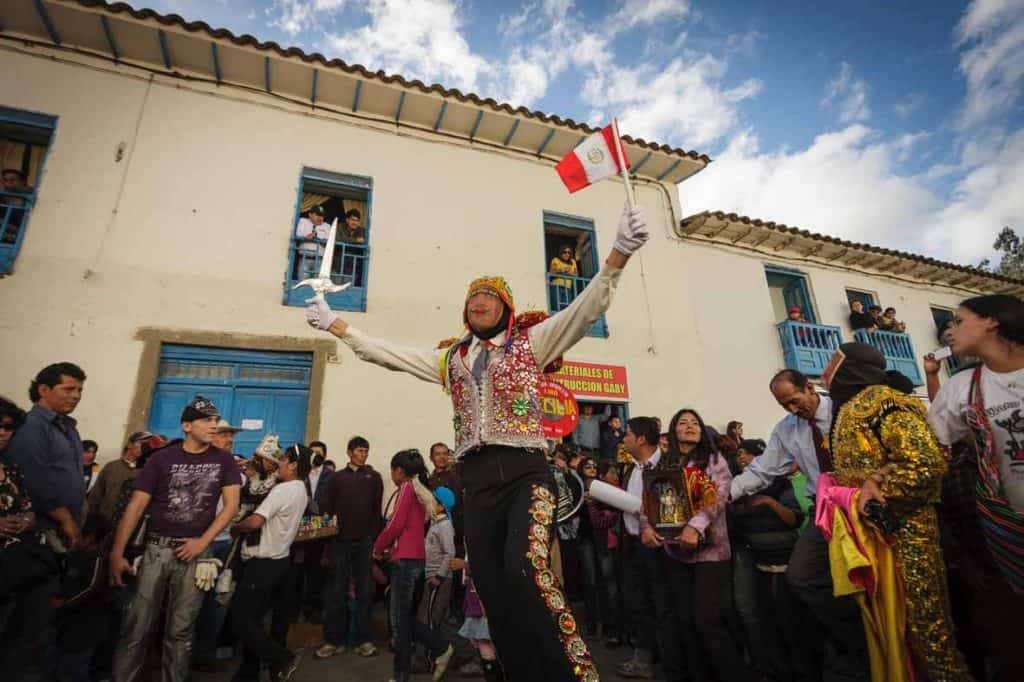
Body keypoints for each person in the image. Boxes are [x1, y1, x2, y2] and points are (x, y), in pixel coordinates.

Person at [305, 202, 649, 680]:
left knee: (525, 567)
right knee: (489, 582)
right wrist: (338, 327)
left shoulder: (534, 342)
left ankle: (573, 673)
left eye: (489, 296)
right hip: (478, 478)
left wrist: (617, 254)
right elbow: (391, 355)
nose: (479, 302)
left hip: (527, 470)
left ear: (506, 307)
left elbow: (584, 309)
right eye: (472, 298)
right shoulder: (451, 360)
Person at [821, 343, 972, 680]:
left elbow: (924, 464)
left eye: (833, 361)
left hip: (907, 533)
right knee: (895, 629)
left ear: (852, 367)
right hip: (874, 537)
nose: (825, 370)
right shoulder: (850, 407)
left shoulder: (887, 402)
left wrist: (876, 495)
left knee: (925, 629)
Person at [730, 368, 869, 680]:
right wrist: (726, 492)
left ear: (809, 387)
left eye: (794, 401)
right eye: (784, 406)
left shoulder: (845, 409)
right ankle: (856, 641)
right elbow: (762, 471)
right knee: (801, 575)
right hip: (825, 514)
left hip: (865, 508)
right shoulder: (786, 430)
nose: (793, 410)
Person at [926, 295, 1024, 680]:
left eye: (958, 320)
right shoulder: (962, 388)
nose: (948, 330)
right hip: (1007, 534)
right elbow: (928, 452)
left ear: (992, 322)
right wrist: (875, 480)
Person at [109, 396, 241, 682]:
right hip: (157, 549)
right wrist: (117, 553)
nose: (214, 426)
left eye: (216, 420)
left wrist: (203, 542)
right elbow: (136, 506)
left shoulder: (224, 460)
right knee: (136, 626)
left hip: (195, 552)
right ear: (186, 425)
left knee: (180, 632)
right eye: (207, 420)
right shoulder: (162, 459)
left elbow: (231, 506)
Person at [643, 409, 755, 682]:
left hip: (711, 552)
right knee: (685, 623)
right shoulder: (663, 464)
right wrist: (646, 528)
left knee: (708, 621)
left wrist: (696, 525)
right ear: (673, 430)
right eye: (683, 423)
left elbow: (719, 497)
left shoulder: (714, 461)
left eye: (695, 422)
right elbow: (648, 502)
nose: (690, 426)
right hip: (675, 551)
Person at [729, 438, 810, 681]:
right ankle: (773, 669)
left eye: (747, 455)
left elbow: (793, 520)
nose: (742, 459)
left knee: (791, 621)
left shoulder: (779, 485)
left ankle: (799, 671)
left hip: (786, 561)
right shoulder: (738, 489)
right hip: (759, 562)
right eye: (739, 455)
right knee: (767, 620)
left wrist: (768, 502)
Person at [230, 443, 311, 682]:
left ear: (294, 465)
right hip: (279, 561)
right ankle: (248, 673)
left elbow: (255, 522)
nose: (279, 465)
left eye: (283, 461)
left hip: (263, 564)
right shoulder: (300, 489)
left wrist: (236, 527)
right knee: (255, 621)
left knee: (241, 619)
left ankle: (282, 658)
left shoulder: (283, 490)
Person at [373, 450, 454, 682]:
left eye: (393, 471)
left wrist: (378, 548)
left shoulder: (407, 488)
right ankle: (438, 648)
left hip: (405, 560)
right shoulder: (420, 490)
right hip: (414, 557)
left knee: (399, 622)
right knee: (404, 618)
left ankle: (404, 673)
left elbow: (395, 524)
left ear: (399, 471)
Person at [616, 416, 677, 680]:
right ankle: (644, 656)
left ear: (641, 438)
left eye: (627, 434)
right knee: (639, 602)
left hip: (659, 546)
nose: (624, 439)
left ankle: (670, 663)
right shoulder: (632, 468)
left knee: (662, 604)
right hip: (633, 545)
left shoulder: (667, 465)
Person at [316, 436, 383, 659]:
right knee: (337, 592)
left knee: (365, 592)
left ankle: (364, 640)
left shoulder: (373, 477)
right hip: (340, 542)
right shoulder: (336, 478)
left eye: (366, 451)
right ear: (349, 452)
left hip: (364, 543)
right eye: (359, 451)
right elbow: (325, 506)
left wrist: (372, 538)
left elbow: (376, 511)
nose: (363, 455)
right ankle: (333, 641)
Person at [192, 418, 246, 671]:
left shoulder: (232, 467)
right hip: (202, 543)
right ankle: (186, 655)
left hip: (226, 542)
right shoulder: (201, 465)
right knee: (193, 599)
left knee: (220, 598)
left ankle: (205, 653)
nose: (229, 439)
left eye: (231, 435)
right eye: (224, 434)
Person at [53, 513, 111, 682]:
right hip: (67, 623)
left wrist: (65, 603)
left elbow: (91, 588)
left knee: (75, 667)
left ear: (91, 538)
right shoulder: (76, 555)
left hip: (85, 626)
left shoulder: (98, 559)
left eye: (80, 536)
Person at [587, 460, 624, 648]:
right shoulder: (595, 497)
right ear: (602, 477)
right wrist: (619, 513)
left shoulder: (624, 492)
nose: (615, 476)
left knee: (625, 590)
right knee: (611, 591)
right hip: (606, 548)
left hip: (624, 548)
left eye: (616, 472)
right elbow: (597, 523)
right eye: (611, 472)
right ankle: (614, 632)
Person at [87, 431, 152, 524]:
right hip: (103, 522)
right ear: (130, 444)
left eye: (148, 445)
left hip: (129, 524)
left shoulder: (147, 471)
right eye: (141, 443)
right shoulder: (111, 467)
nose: (145, 447)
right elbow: (96, 496)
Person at [418, 486, 456, 640]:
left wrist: (439, 576)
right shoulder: (436, 523)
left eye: (433, 501)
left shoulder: (444, 526)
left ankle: (434, 652)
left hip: (439, 579)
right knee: (438, 618)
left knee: (430, 618)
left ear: (441, 506)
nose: (430, 503)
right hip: (433, 576)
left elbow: (450, 552)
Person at [294, 204, 330, 279]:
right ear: (310, 214)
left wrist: (316, 235)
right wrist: (307, 237)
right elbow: (298, 234)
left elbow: (328, 242)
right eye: (318, 215)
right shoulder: (303, 221)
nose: (320, 218)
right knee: (302, 285)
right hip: (304, 259)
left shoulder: (326, 226)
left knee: (316, 288)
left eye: (322, 216)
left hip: (319, 261)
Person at [549, 244, 580, 309]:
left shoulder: (573, 262)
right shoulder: (556, 260)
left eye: (569, 252)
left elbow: (576, 274)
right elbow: (552, 272)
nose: (567, 254)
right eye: (564, 252)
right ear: (561, 253)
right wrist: (561, 270)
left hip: (567, 288)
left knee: (566, 308)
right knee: (557, 307)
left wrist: (564, 273)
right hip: (556, 286)